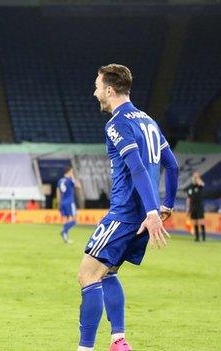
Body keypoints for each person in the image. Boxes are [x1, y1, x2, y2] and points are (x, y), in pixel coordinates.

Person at [76, 64, 179, 351]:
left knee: (87, 275)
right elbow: (172, 165)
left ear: (109, 89)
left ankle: (85, 348)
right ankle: (118, 340)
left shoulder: (117, 124)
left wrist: (152, 211)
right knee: (108, 273)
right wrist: (165, 205)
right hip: (142, 216)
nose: (95, 92)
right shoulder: (148, 121)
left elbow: (136, 168)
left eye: (97, 86)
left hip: (125, 214)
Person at [57, 167, 81, 243]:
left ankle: (65, 238)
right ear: (68, 172)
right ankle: (64, 231)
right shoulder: (70, 180)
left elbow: (58, 193)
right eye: (71, 172)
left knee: (66, 220)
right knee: (74, 221)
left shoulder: (60, 181)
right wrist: (73, 176)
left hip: (63, 202)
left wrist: (59, 203)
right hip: (70, 202)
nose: (72, 173)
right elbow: (78, 186)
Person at [186, 171, 206, 242]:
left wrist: (197, 178)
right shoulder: (190, 187)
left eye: (196, 177)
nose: (194, 178)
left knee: (201, 222)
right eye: (194, 177)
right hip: (193, 206)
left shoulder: (199, 186)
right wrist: (188, 208)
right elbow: (188, 198)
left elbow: (202, 184)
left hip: (199, 206)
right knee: (194, 222)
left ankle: (203, 238)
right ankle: (197, 238)